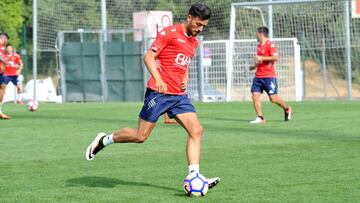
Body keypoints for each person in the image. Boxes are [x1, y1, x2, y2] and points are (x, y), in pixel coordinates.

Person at [85, 3, 220, 189]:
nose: (200, 29)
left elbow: (184, 62)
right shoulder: (169, 33)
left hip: (178, 95)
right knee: (140, 136)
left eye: (203, 26)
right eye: (198, 24)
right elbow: (148, 57)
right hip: (159, 93)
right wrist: (158, 79)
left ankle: (194, 176)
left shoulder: (194, 42)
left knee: (196, 130)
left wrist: (185, 77)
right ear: (189, 18)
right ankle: (104, 140)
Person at [249, 27, 292, 124]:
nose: (256, 36)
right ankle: (260, 117)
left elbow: (275, 58)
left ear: (261, 34)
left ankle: (287, 108)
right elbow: (260, 60)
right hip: (258, 76)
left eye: (256, 34)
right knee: (254, 96)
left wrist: (262, 57)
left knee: (273, 99)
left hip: (269, 76)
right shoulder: (259, 46)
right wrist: (254, 66)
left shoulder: (270, 45)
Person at [0, 33, 10, 119]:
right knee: (2, 88)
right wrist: (7, 62)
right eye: (6, 40)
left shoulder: (3, 48)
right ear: (4, 39)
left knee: (3, 88)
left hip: (1, 72)